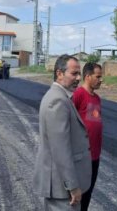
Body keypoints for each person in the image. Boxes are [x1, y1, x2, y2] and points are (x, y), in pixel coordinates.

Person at [33, 54, 92, 210]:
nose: (79, 78)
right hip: (62, 189)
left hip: (61, 186)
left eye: (79, 73)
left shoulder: (61, 97)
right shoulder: (57, 101)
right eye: (74, 74)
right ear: (59, 74)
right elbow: (60, 150)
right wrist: (72, 186)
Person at [72, 62, 103, 211]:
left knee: (88, 192)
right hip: (82, 155)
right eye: (98, 76)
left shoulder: (97, 99)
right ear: (87, 76)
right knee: (79, 192)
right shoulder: (78, 94)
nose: (101, 80)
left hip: (95, 155)